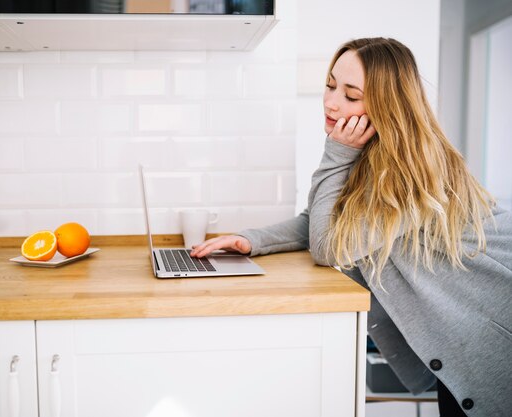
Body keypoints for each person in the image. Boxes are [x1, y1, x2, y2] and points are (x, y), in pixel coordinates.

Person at [190, 37, 512, 417]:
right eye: (329, 85)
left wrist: (336, 155)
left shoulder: (415, 170)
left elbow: (330, 247)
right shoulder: (366, 151)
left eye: (351, 94)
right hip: (461, 335)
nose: (331, 101)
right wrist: (251, 240)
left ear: (387, 104)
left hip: (489, 336)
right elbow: (325, 223)